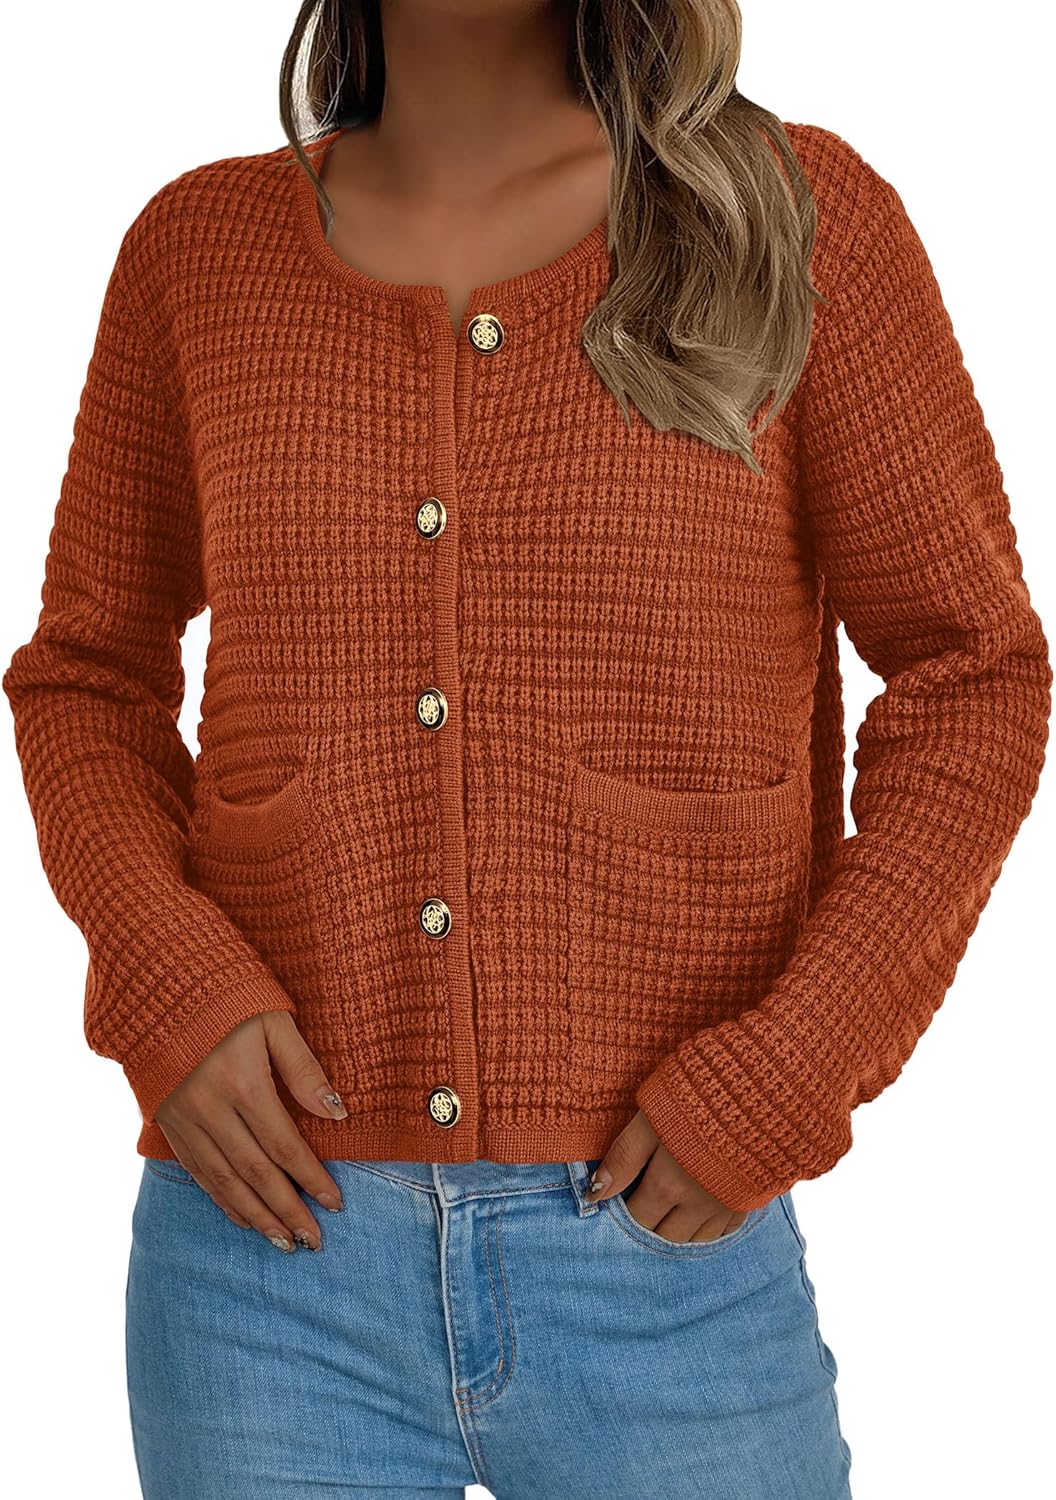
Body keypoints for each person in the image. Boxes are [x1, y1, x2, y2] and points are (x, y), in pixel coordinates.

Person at [4, 1, 1050, 1495]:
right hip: (265, 1261)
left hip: (667, 1259)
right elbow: (87, 678)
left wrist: (794, 1066)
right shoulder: (198, 253)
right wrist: (170, 984)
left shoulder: (789, 217)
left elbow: (973, 675)